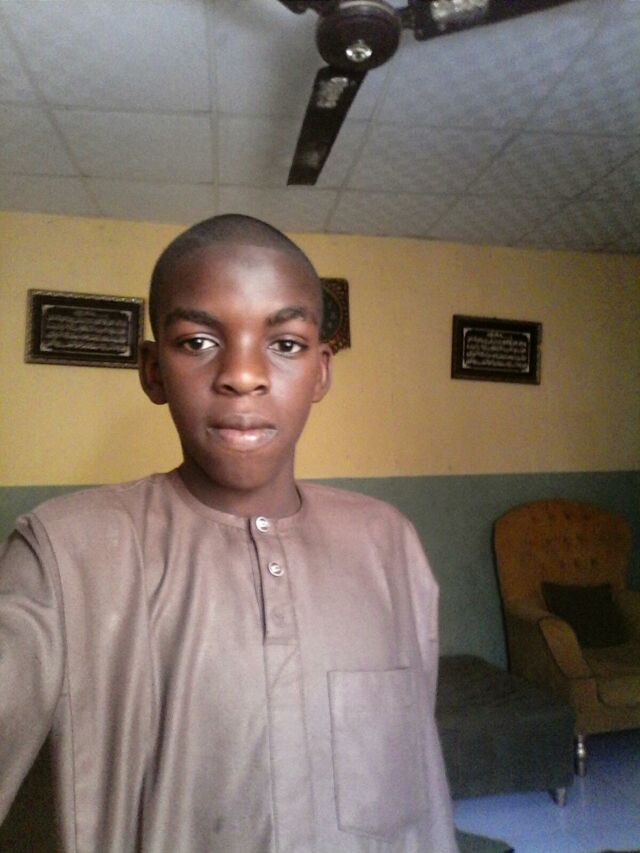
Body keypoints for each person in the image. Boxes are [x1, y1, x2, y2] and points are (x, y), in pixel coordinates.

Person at [0, 215, 459, 852]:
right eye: (197, 342)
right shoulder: (62, 556)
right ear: (152, 371)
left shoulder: (388, 543)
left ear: (321, 372)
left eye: (286, 344)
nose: (243, 375)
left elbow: (411, 770)